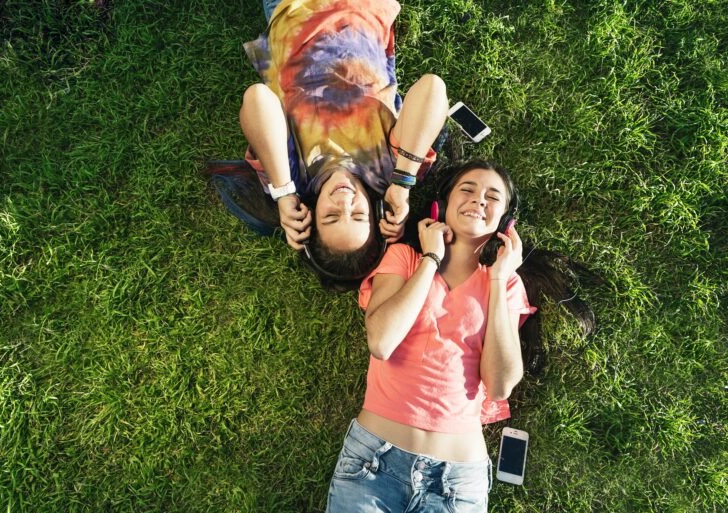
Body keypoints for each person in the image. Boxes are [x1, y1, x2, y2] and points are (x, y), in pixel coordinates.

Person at [324, 160, 537, 512]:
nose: (479, 199)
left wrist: (499, 278)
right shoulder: (405, 259)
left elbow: (499, 385)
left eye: (492, 196)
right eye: (467, 190)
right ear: (442, 205)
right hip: (373, 464)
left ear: (506, 222)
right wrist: (431, 258)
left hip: (456, 480)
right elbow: (381, 341)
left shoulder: (507, 284)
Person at [206, 0, 449, 290]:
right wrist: (403, 182)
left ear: (310, 216)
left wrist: (283, 192)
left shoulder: (296, 177)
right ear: (377, 213)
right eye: (358, 215)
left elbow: (257, 99)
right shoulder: (389, 170)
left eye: (331, 216)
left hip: (291, 9)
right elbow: (433, 88)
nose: (344, 201)